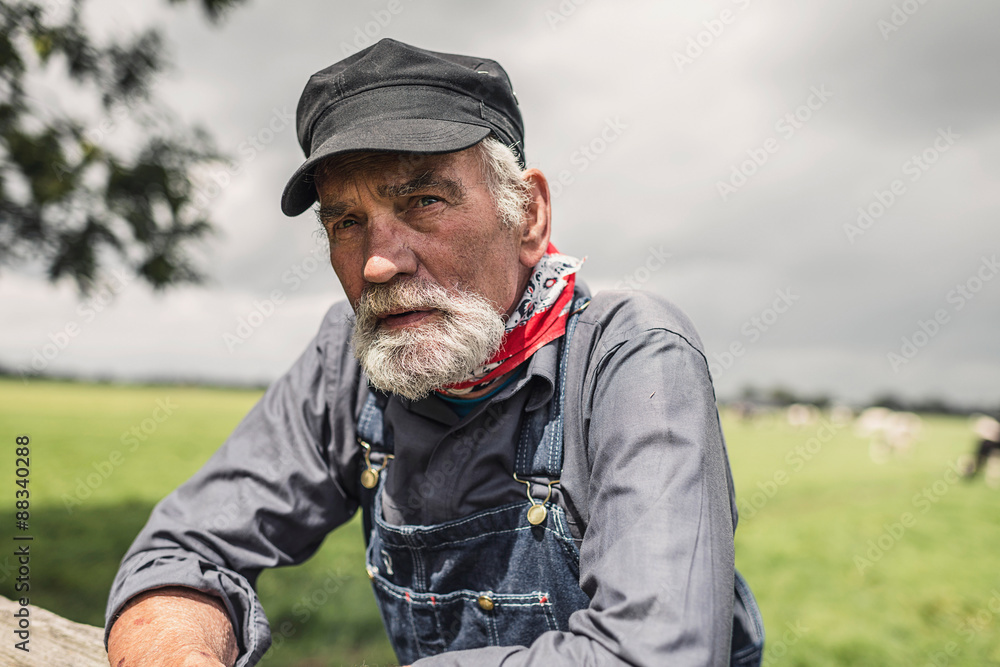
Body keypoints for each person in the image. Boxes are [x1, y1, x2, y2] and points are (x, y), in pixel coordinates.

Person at [104, 38, 765, 667]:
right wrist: (178, 648)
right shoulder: (350, 359)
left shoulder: (629, 356)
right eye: (346, 222)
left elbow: (655, 653)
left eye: (423, 199)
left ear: (528, 214)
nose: (380, 263)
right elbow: (181, 548)